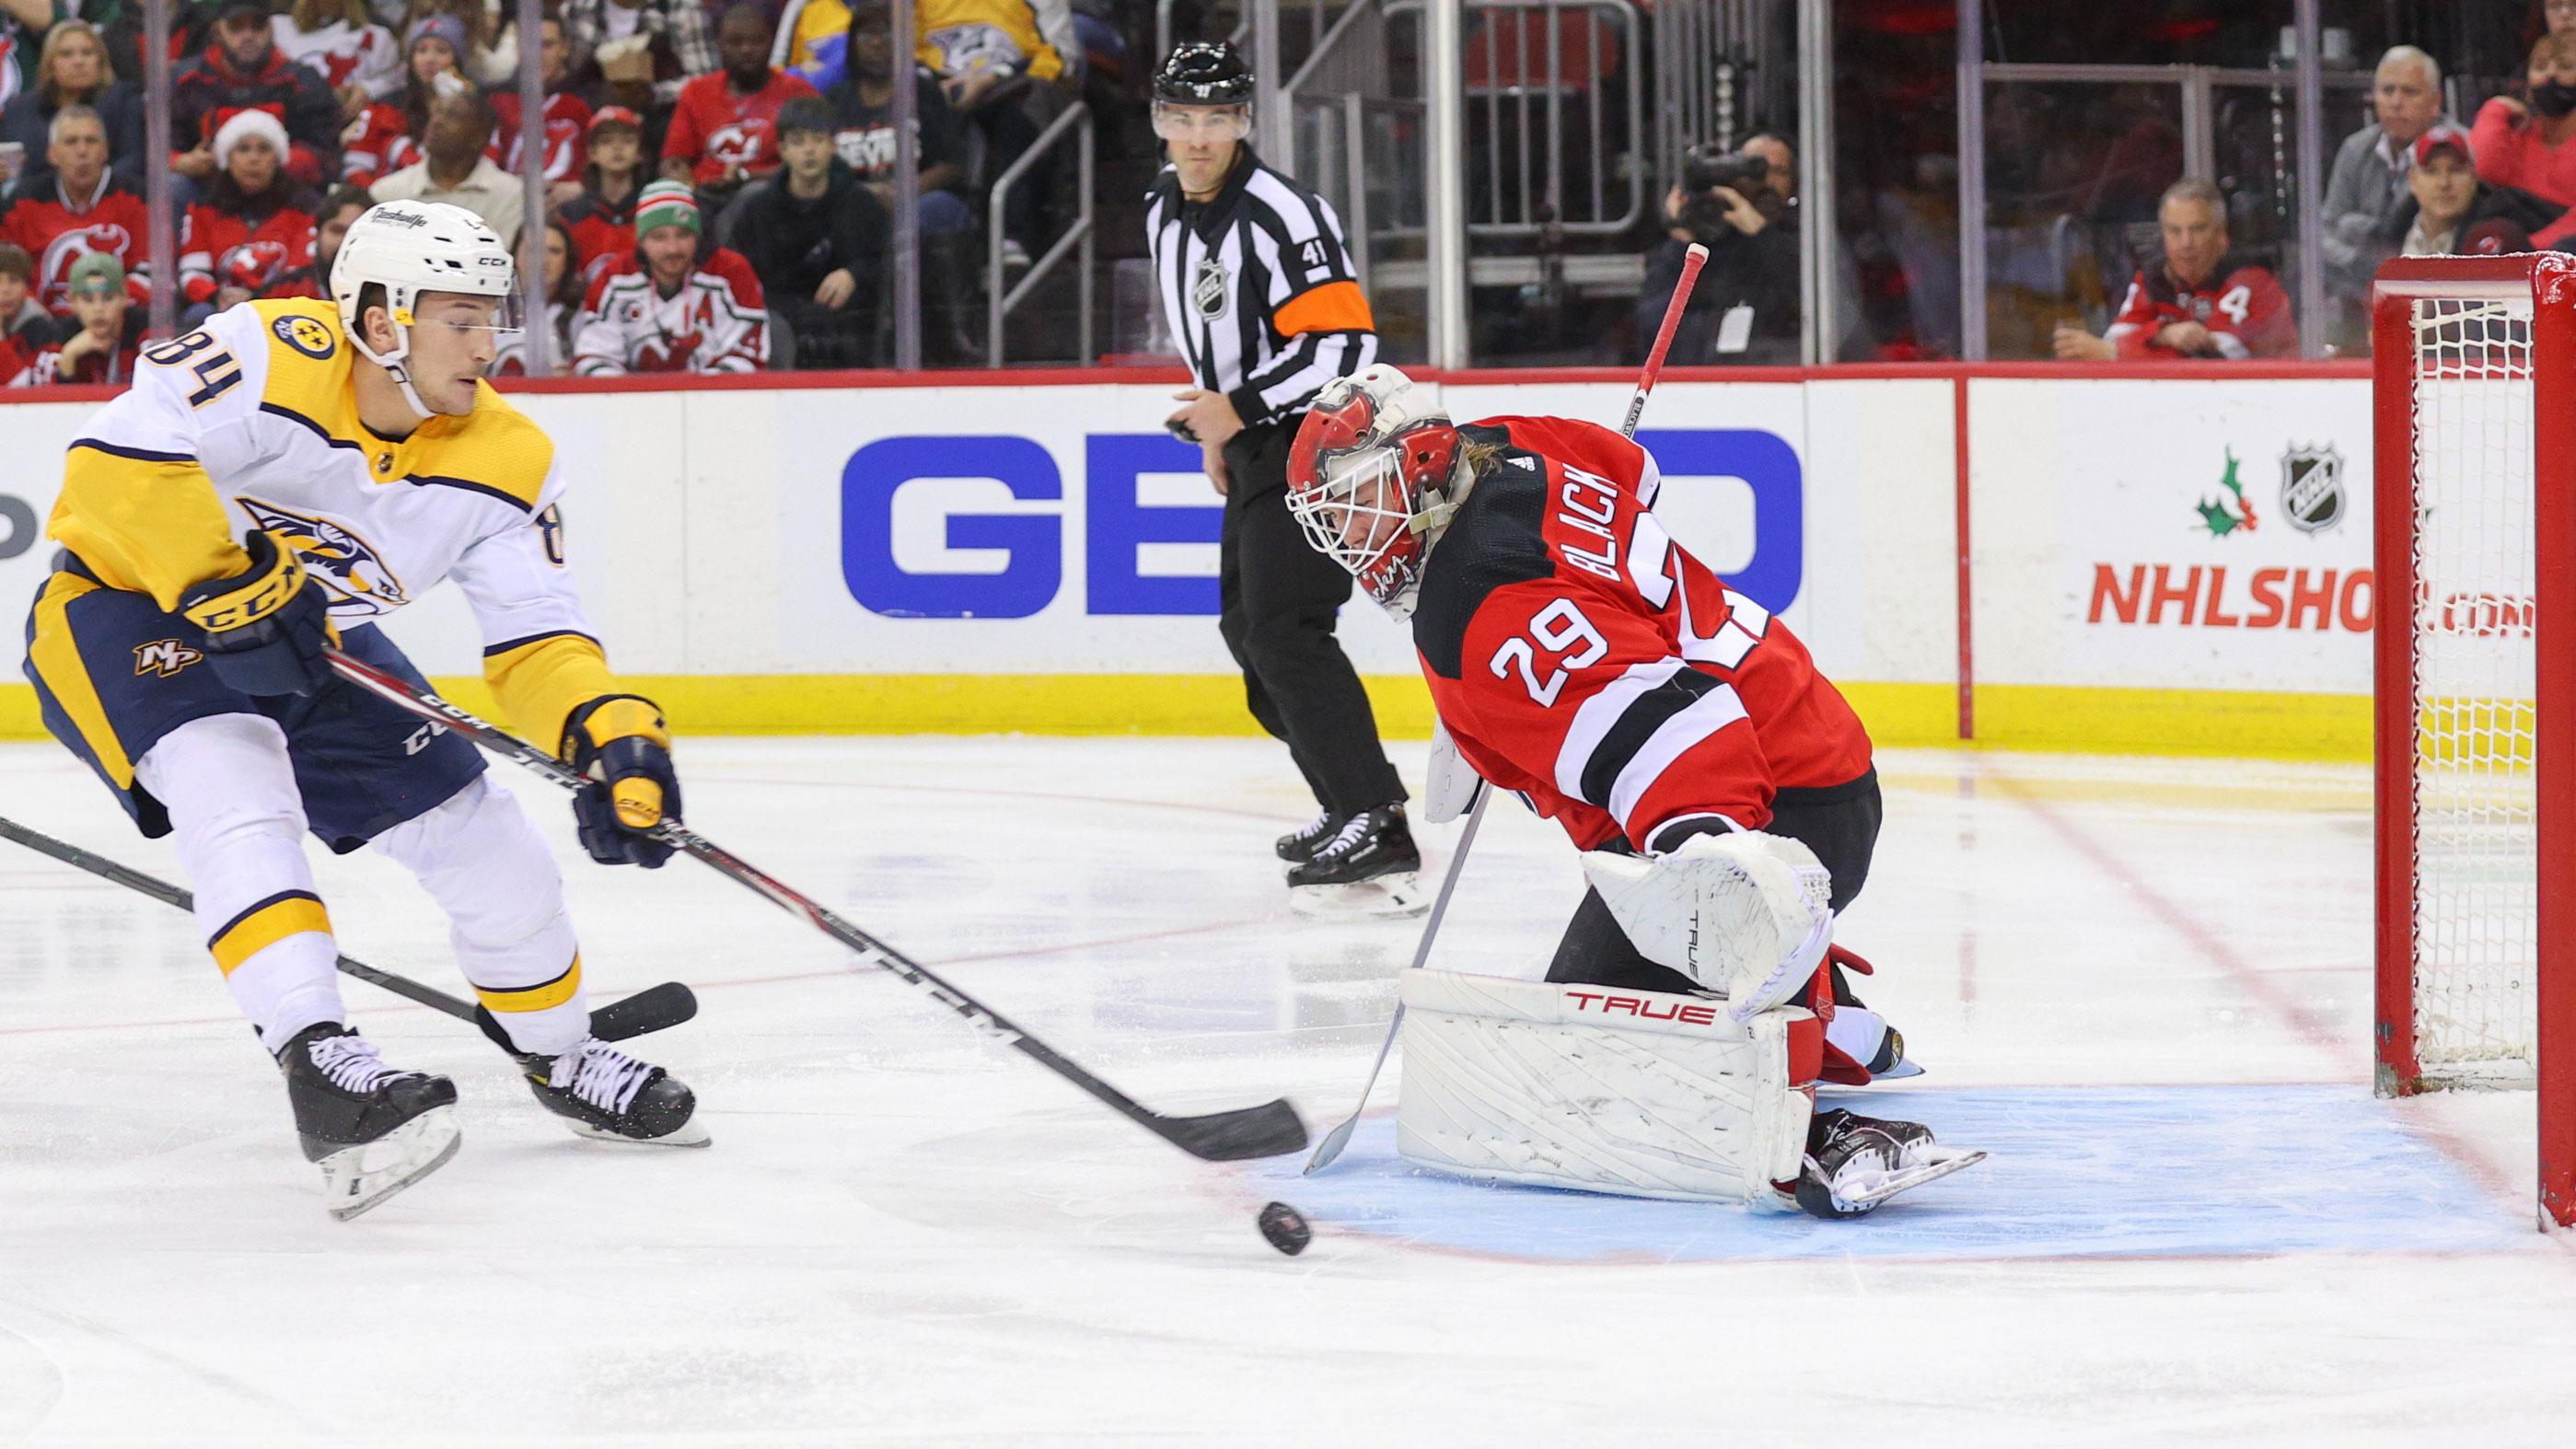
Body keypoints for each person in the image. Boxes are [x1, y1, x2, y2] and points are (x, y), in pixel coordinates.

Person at [20, 199, 708, 1220]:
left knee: (482, 833)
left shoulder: (508, 458)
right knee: (236, 783)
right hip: (128, 608)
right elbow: (111, 465)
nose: (489, 344)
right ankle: (319, 1058)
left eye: (495, 317)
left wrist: (612, 730)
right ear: (381, 321)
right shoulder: (270, 348)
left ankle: (561, 1053)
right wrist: (225, 573)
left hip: (314, 639)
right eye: (461, 319)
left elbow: (540, 641)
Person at [1281, 365, 1974, 1217]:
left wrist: (1713, 891)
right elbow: (1624, 470)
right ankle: (1842, 1024)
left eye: (1356, 500)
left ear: (1420, 461)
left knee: (1589, 1067)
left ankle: (1815, 1130)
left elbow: (1688, 735)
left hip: (1773, 804)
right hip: (1807, 739)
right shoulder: (1504, 443)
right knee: (1609, 984)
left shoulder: (1474, 609)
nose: (1348, 536)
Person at [1143, 42, 1414, 916]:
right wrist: (1218, 426)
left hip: (1315, 436)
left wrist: (1242, 407)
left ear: (1245, 122)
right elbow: (1210, 333)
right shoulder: (1161, 209)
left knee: (1287, 628)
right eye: (1182, 118)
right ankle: (1345, 800)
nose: (1198, 137)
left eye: (1216, 119)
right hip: (1258, 439)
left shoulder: (1284, 214)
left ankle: (1377, 816)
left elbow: (1345, 347)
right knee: (1247, 633)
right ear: (1158, 120)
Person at [2052, 179, 2296, 361]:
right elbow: (2115, 338)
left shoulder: (2251, 279)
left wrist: (2117, 351)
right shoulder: (2154, 276)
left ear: (2221, 235)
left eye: (2198, 230)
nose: (2185, 243)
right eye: (2175, 231)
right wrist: (2162, 335)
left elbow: (2211, 363)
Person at [730, 96, 886, 367]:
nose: (809, 151)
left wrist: (854, 274)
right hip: (779, 328)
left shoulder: (861, 204)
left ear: (833, 145)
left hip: (848, 332)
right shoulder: (758, 210)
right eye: (798, 141)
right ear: (782, 150)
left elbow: (887, 262)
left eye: (818, 140)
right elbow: (739, 274)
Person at [919, 0, 1078, 258]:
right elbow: (905, 47)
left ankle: (1014, 233)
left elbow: (1059, 56)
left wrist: (993, 78)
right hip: (939, 84)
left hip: (1011, 83)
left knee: (1018, 115)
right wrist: (933, 83)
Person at [572, 179, 767, 373]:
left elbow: (746, 356)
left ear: (698, 236)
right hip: (634, 401)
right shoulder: (615, 278)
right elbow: (594, 356)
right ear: (640, 241)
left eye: (683, 235)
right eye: (659, 237)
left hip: (712, 401)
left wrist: (697, 398)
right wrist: (633, 400)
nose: (673, 248)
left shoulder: (731, 272)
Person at [1638, 136, 1801, 366]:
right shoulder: (1703, 235)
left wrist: (1763, 235)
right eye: (1754, 169)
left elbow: (1803, 309)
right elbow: (1654, 326)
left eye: (1779, 171)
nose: (1766, 181)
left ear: (1794, 183)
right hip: (1702, 381)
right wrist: (1682, 244)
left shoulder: (1809, 239)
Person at [2322, 46, 2448, 305]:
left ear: (2436, 102)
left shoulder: (2456, 150)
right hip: (2357, 294)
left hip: (2433, 295)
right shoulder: (2355, 149)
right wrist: (2361, 265)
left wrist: (2357, 231)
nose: (2396, 102)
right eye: (2387, 91)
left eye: (2409, 91)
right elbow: (2325, 234)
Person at [173, 0, 344, 190]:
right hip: (207, 191)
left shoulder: (301, 81)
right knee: (174, 186)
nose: (248, 36)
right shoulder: (186, 81)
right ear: (216, 32)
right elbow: (154, 148)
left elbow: (327, 154)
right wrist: (181, 162)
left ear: (271, 29)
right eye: (236, 27)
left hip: (284, 193)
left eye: (257, 26)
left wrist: (275, 163)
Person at [659, 2, 819, 205]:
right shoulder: (696, 92)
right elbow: (674, 161)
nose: (746, 49)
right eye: (735, 42)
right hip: (705, 198)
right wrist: (686, 186)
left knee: (753, 195)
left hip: (774, 200)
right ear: (718, 44)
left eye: (757, 41)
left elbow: (813, 164)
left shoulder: (798, 92)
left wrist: (746, 176)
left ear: (771, 41)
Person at [0, 104, 152, 313]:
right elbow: (7, 274)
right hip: (42, 327)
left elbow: (152, 272)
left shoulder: (137, 196)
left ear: (105, 150)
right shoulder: (23, 201)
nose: (82, 151)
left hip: (118, 321)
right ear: (52, 154)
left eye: (91, 141)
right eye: (71, 142)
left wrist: (102, 311)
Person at [179, 107, 323, 319]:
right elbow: (192, 273)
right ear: (228, 158)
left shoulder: (303, 207)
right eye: (243, 149)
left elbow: (301, 277)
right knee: (198, 314)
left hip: (281, 313)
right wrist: (217, 295)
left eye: (264, 149)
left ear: (277, 158)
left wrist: (257, 299)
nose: (254, 159)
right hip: (221, 312)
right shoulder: (203, 208)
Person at [0, 19, 145, 199]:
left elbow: (133, 161)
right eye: (66, 54)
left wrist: (87, 187)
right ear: (50, 64)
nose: (78, 62)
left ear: (100, 61)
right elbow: (18, 169)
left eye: (87, 53)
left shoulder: (125, 100)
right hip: (36, 205)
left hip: (109, 200)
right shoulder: (20, 109)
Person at [339, 14, 482, 188]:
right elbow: (355, 171)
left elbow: (487, 162)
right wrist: (385, 198)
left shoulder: (477, 110)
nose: (429, 59)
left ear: (457, 60)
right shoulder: (385, 107)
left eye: (442, 51)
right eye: (421, 50)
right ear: (411, 60)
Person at [369, 87, 523, 242]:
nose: (436, 121)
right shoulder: (388, 193)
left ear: (480, 137)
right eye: (436, 113)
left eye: (452, 115)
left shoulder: (510, 194)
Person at [2473, 32, 2576, 248]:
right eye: (2540, 67)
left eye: (2565, 67)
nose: (2551, 76)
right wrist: (2497, 107)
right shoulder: (2519, 136)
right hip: (2514, 242)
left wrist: (2525, 248)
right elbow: (2484, 168)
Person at [2381, 124, 2535, 259]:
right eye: (2431, 171)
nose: (2444, 183)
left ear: (2474, 178)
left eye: (2456, 170)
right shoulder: (2386, 237)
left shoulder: (2501, 240)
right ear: (2412, 181)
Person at [487, 15, 592, 208]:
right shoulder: (495, 99)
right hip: (506, 208)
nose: (537, 54)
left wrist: (585, 188)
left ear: (565, 48)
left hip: (570, 211)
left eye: (547, 45)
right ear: (517, 49)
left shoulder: (592, 99)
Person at [13, 247, 144, 383]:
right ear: (72, 302)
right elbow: (44, 397)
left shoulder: (144, 327)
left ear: (124, 297)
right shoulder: (58, 336)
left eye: (108, 298)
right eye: (87, 299)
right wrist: (69, 356)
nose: (98, 308)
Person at [562, 0, 719, 112]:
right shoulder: (575, 9)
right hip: (595, 115)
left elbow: (706, 81)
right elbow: (570, 77)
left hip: (663, 115)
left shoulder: (681, 6)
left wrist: (653, 93)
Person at [270, 0, 402, 124]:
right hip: (297, 126)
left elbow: (399, 78)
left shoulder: (377, 37)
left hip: (359, 129)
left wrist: (368, 89)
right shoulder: (278, 28)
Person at [560, 104, 644, 282]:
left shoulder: (650, 209)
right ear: (592, 153)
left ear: (639, 153)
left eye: (628, 140)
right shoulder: (573, 214)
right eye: (606, 141)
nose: (617, 148)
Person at [491, 214, 583, 373]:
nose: (543, 259)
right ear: (514, 256)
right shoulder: (489, 311)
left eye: (554, 251)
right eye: (532, 249)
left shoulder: (581, 315)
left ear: (567, 261)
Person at [264, 181, 373, 298]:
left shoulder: (384, 295)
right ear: (318, 234)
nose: (345, 242)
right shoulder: (283, 290)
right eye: (336, 230)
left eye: (356, 233)